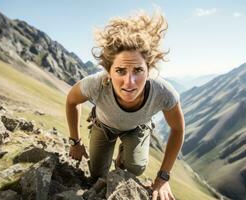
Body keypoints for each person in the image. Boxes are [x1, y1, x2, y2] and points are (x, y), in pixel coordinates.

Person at [66, 11, 185, 200]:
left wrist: (163, 177)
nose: (129, 83)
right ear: (109, 71)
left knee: (135, 169)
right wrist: (75, 142)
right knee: (96, 175)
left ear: (149, 69)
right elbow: (72, 101)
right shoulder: (96, 84)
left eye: (138, 70)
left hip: (136, 127)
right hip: (104, 125)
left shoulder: (163, 92)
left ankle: (124, 152)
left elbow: (177, 129)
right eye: (120, 71)